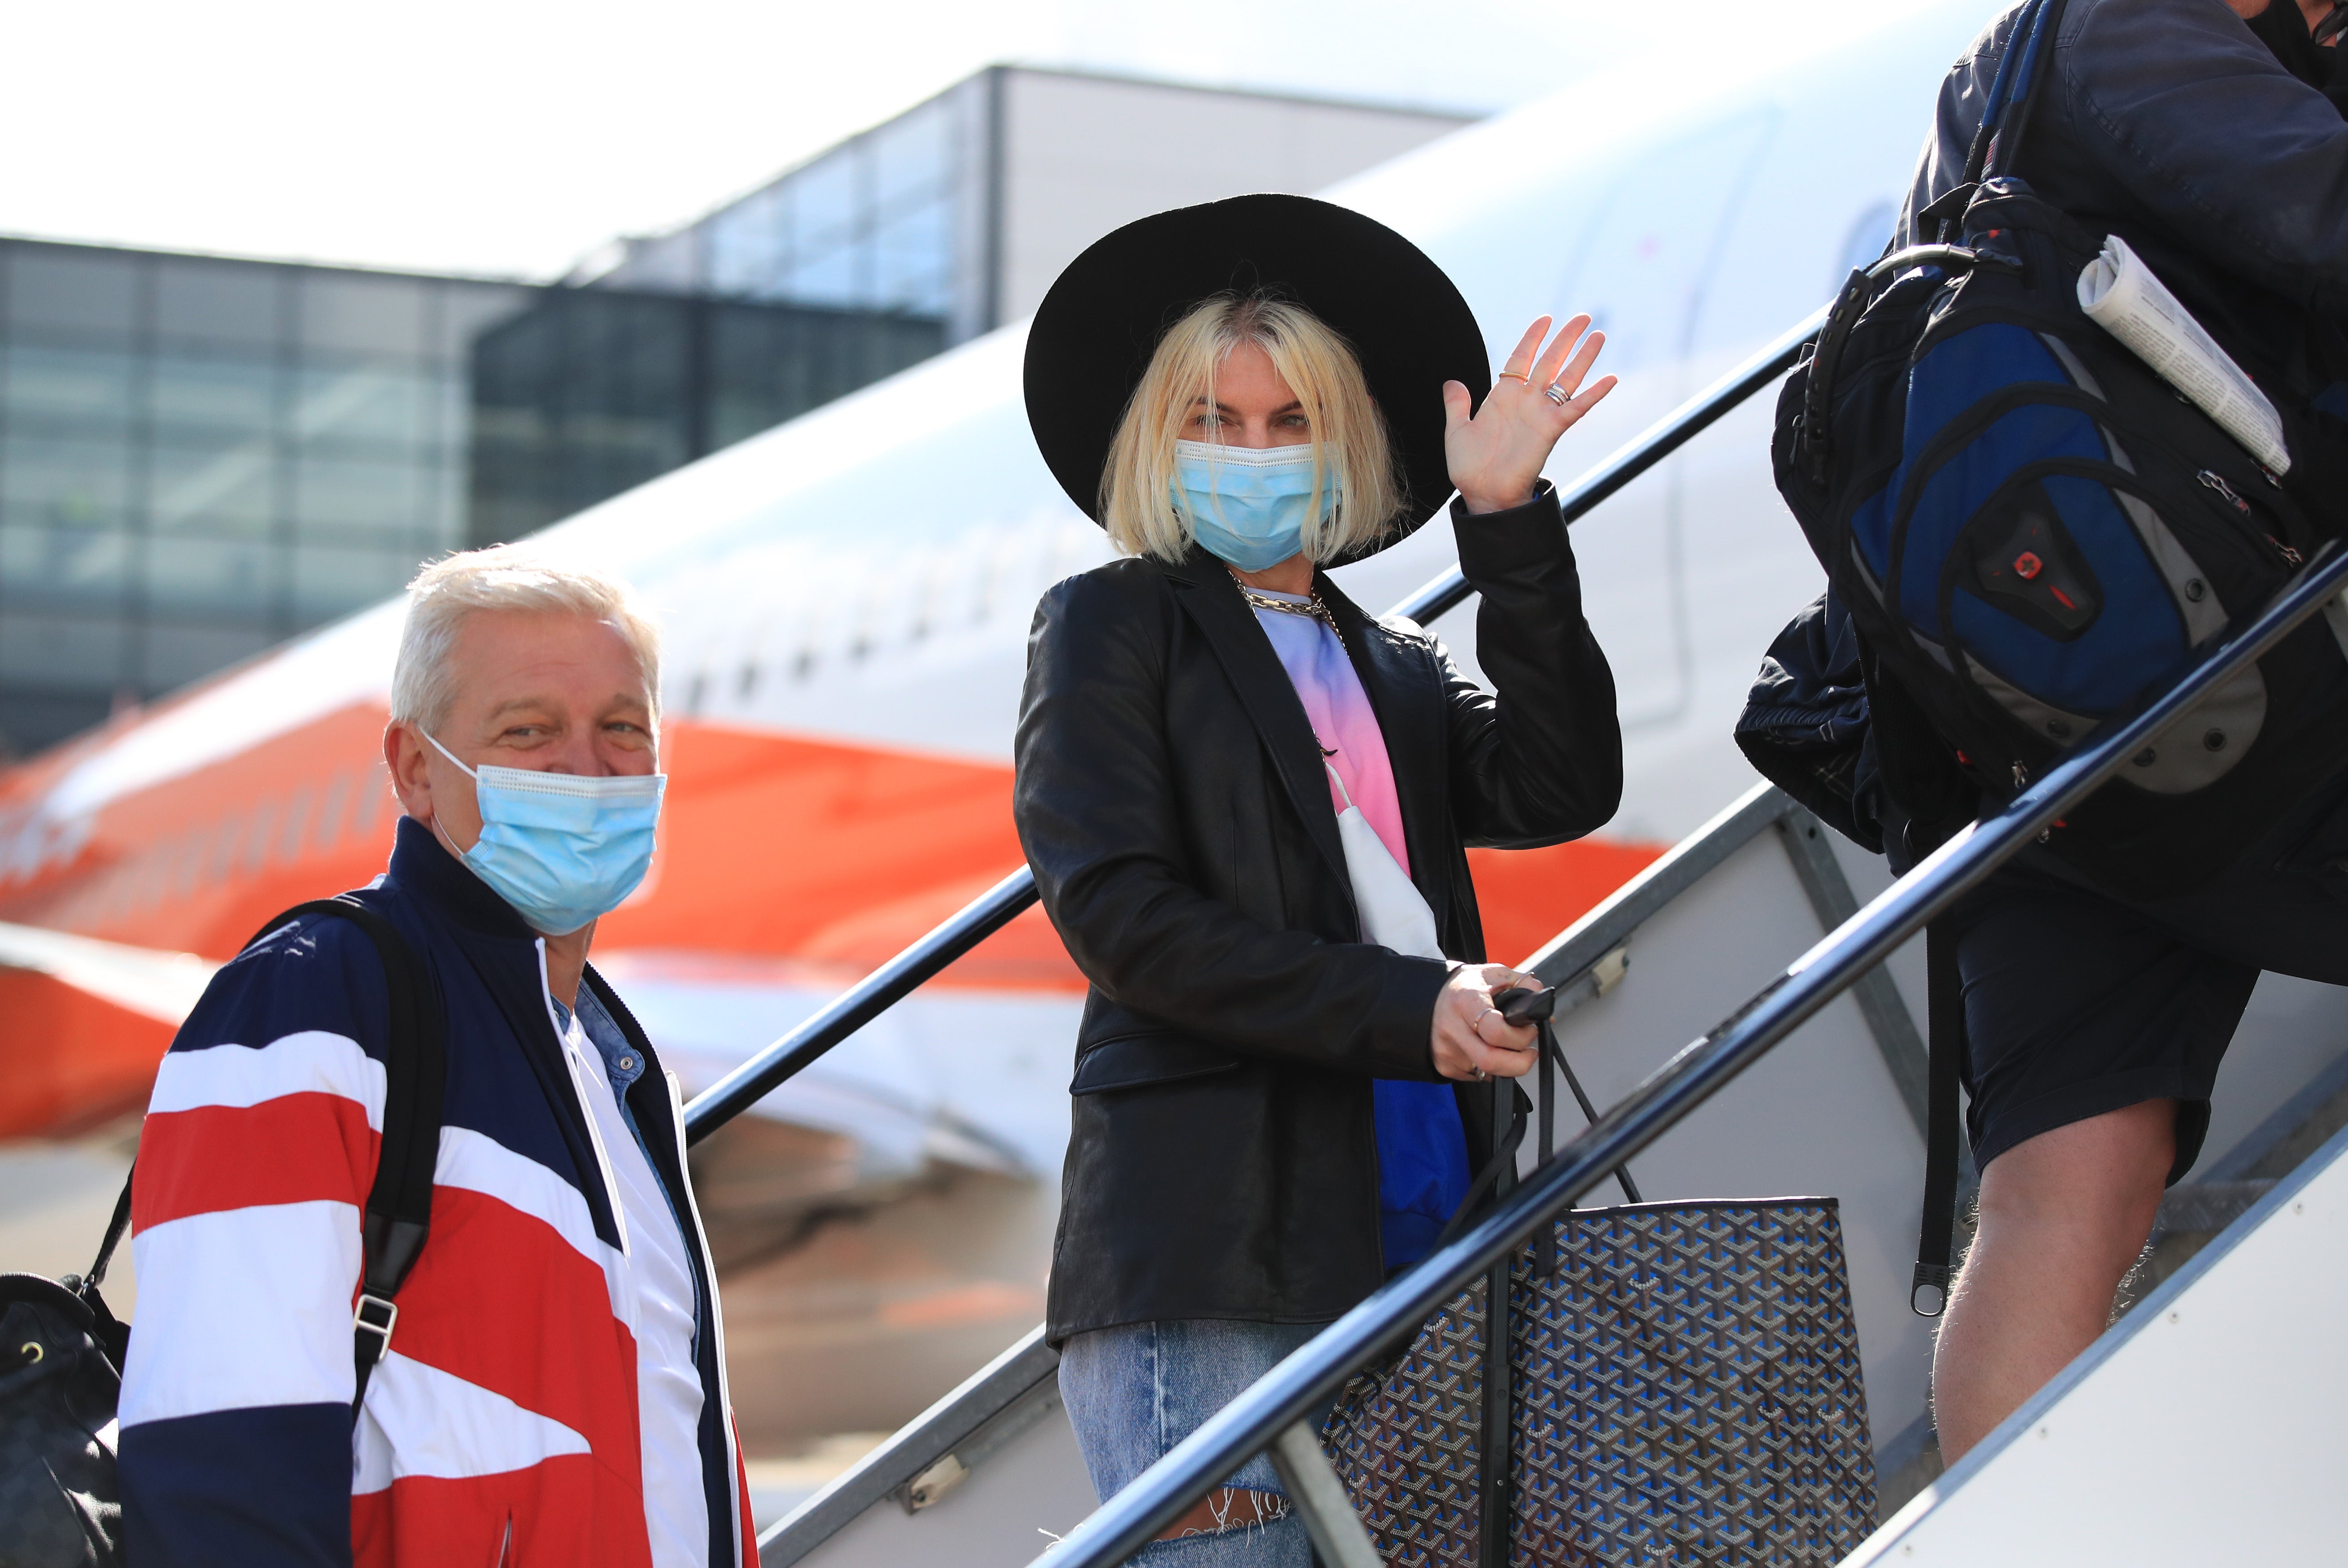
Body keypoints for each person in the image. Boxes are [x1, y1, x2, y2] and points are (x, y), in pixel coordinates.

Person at [1013, 194, 1624, 1560]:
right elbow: (1118, 916)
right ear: (1158, 444)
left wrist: (1509, 523)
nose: (1252, 452)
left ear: (1339, 440)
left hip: (1416, 1222)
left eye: (1288, 421)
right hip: (1219, 1253)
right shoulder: (1112, 623)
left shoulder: (1390, 655)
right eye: (1215, 422)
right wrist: (1405, 1008)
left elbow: (1559, 782)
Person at [1890, 0, 2348, 1462]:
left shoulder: (2009, 72)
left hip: (2031, 710)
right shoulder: (2132, 32)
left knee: (2056, 1188)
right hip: (2246, 668)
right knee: (2059, 1193)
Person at [116, 546, 756, 1567]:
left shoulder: (616, 1061)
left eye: (622, 728)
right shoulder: (310, 996)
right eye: (529, 730)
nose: (589, 770)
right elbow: (222, 1451)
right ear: (416, 768)